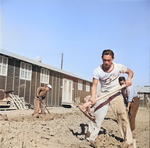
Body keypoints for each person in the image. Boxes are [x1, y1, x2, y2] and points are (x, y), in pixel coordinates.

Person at [80, 49, 133, 146]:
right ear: (102, 59)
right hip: (103, 94)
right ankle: (90, 138)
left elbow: (130, 72)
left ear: (112, 59)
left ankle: (128, 140)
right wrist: (93, 97)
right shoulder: (97, 71)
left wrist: (129, 78)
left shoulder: (118, 67)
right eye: (104, 60)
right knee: (96, 116)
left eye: (108, 60)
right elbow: (94, 85)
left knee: (122, 117)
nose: (106, 62)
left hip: (116, 94)